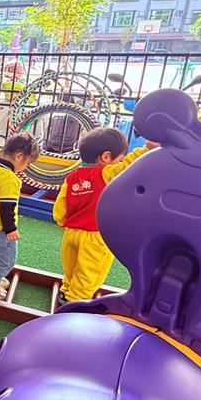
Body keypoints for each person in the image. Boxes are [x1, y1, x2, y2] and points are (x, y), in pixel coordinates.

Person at [54, 127, 155, 303]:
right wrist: (147, 148)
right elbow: (129, 166)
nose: (120, 162)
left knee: (71, 267)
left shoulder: (73, 176)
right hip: (95, 235)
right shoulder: (105, 173)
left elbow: (61, 204)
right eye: (119, 159)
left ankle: (66, 290)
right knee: (89, 272)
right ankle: (75, 302)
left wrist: (61, 220)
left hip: (71, 233)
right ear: (106, 157)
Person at [0, 134, 41, 299]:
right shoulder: (9, 179)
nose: (25, 167)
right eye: (27, 163)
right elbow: (6, 207)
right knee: (6, 259)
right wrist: (10, 229)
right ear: (18, 156)